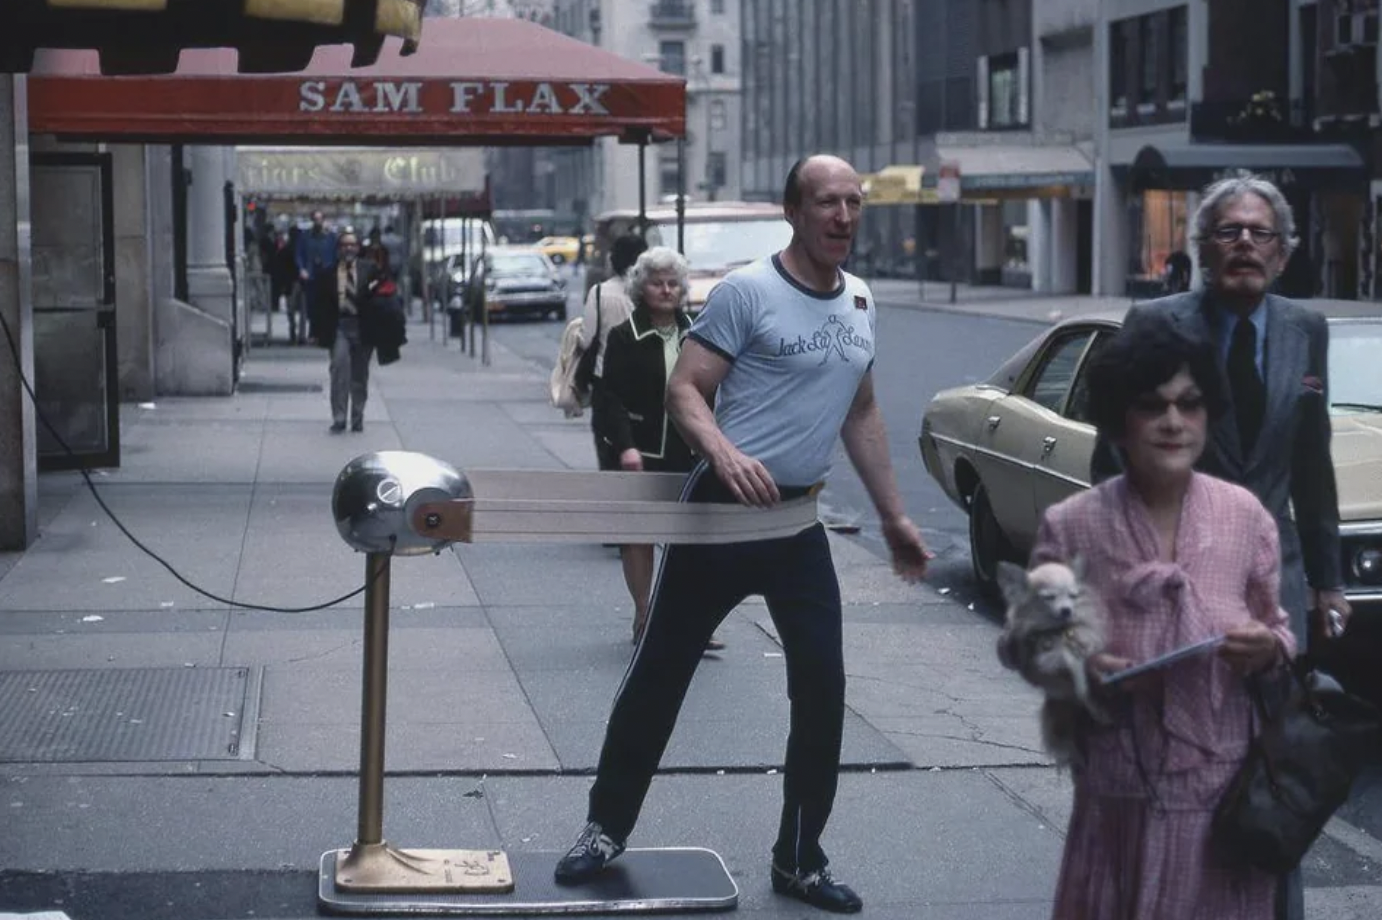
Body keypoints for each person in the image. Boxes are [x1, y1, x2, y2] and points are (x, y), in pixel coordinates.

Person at [553, 155, 931, 914]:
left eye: (855, 203)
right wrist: (724, 452)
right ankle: (605, 827)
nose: (844, 216)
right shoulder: (747, 292)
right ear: (794, 211)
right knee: (661, 673)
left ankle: (799, 857)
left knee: (823, 687)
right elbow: (684, 389)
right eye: (828, 202)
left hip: (796, 524)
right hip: (718, 512)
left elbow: (860, 412)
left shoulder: (859, 299)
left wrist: (893, 516)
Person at [1091, 172, 1346, 920]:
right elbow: (1113, 462)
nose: (1245, 245)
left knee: (1274, 772)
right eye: (1228, 232)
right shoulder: (1156, 322)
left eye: (1260, 233)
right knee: (1178, 775)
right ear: (1201, 248)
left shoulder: (1306, 329)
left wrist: (1327, 583)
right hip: (1175, 591)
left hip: (1274, 594)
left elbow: (1312, 463)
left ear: (1284, 251)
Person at [1036, 315, 1296, 919]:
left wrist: (1266, 646)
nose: (1174, 422)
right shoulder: (1073, 524)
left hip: (1220, 794)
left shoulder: (1245, 517)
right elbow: (1031, 642)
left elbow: (1279, 630)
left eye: (1189, 404)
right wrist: (1080, 664)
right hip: (1116, 790)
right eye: (1153, 406)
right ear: (1119, 421)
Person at [591, 246, 698, 647]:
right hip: (643, 452)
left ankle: (687, 618)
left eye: (673, 283)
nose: (666, 290)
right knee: (638, 536)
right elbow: (610, 398)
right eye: (657, 283)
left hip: (690, 452)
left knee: (689, 540)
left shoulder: (697, 333)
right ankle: (644, 612)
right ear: (642, 288)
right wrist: (625, 447)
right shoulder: (624, 336)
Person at [578, 233, 648, 471]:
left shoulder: (600, 293)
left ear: (613, 260)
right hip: (644, 381)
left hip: (605, 380)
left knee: (608, 447)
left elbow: (586, 338)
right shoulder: (649, 293)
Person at [310, 231, 381, 434]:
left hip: (362, 327)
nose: (348, 248)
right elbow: (319, 305)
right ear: (339, 249)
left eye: (352, 245)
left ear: (358, 248)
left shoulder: (370, 270)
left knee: (360, 375)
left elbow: (383, 298)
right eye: (344, 245)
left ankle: (357, 417)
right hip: (339, 326)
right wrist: (315, 331)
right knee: (339, 368)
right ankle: (339, 417)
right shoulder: (328, 273)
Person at [296, 210, 337, 333]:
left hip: (326, 274)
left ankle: (324, 330)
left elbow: (335, 254)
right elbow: (299, 254)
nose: (317, 222)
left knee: (325, 303)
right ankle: (312, 330)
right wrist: (302, 268)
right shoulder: (305, 236)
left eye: (320, 219)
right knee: (311, 304)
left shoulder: (330, 236)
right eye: (315, 219)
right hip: (311, 274)